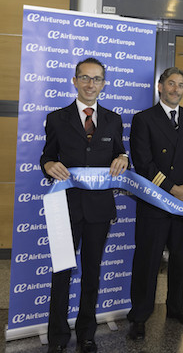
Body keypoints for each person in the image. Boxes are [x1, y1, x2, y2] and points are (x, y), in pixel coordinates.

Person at [40, 57, 129, 353]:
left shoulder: (114, 120)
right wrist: (48, 164)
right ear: (75, 81)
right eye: (85, 78)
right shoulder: (57, 118)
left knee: (92, 273)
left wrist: (123, 158)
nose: (91, 84)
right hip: (66, 208)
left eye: (97, 79)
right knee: (62, 274)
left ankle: (87, 334)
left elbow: (120, 153)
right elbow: (47, 156)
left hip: (99, 209)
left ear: (104, 84)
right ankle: (57, 337)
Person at [127, 67, 183, 340]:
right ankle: (139, 315)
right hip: (155, 203)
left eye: (180, 85)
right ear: (160, 87)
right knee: (148, 260)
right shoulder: (143, 119)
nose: (176, 89)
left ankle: (177, 307)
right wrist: (173, 189)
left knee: (181, 258)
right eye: (171, 84)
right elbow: (143, 162)